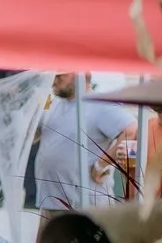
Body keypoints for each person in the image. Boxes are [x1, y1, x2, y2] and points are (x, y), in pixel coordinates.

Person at [32, 74, 139, 211]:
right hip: (50, 202)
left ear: (81, 74)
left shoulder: (100, 103)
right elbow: (35, 136)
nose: (54, 79)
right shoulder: (52, 103)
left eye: (60, 75)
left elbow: (131, 130)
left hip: (85, 206)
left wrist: (101, 164)